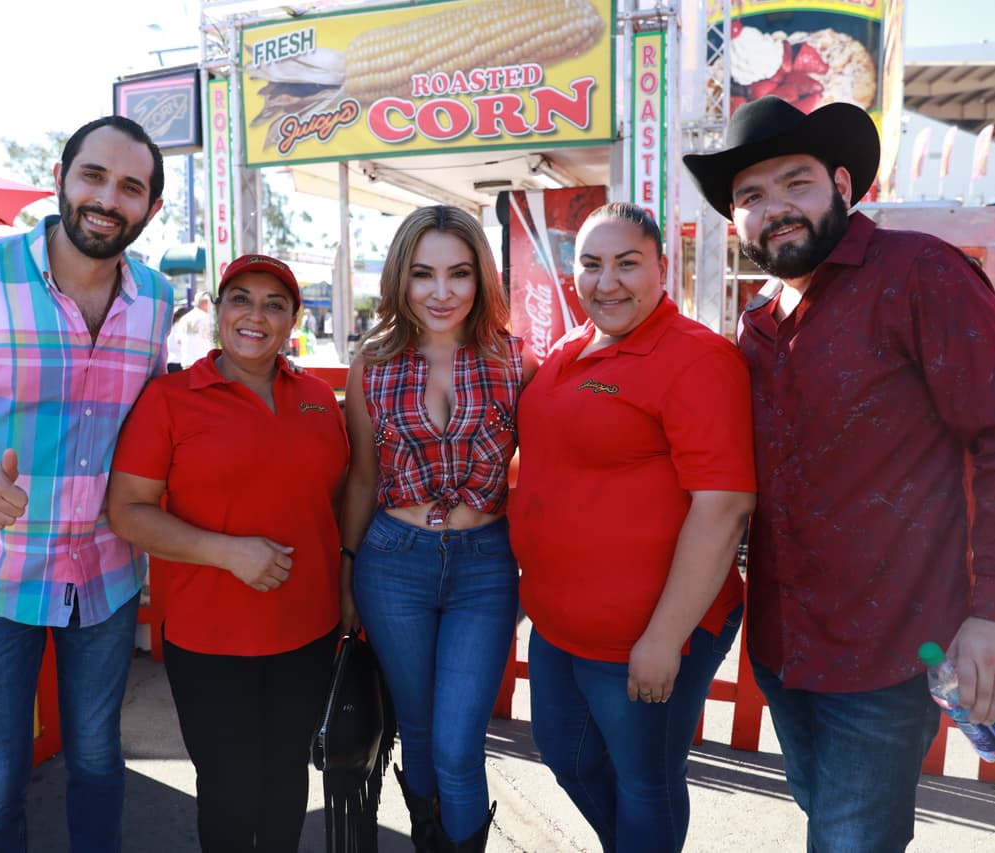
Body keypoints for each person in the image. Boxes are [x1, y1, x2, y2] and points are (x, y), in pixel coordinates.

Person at [682, 96, 995, 851]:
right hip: (784, 646)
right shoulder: (758, 322)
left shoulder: (920, 273)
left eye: (795, 182)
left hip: (892, 650)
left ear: (842, 185)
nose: (774, 208)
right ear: (735, 220)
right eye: (751, 196)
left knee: (850, 839)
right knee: (826, 814)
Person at [0, 115, 172, 851]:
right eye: (93, 176)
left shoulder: (156, 299)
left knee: (99, 759)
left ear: (150, 208)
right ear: (60, 179)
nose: (107, 198)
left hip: (105, 572)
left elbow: (152, 430)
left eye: (130, 187)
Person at [509, 202, 756, 853]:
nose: (607, 281)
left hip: (649, 632)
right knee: (567, 756)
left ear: (661, 268)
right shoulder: (567, 347)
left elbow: (724, 505)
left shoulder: (697, 358)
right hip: (559, 622)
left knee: (645, 781)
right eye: (591, 264)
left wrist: (664, 637)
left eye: (627, 263)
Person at [107, 254, 346, 852]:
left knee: (288, 781)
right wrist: (227, 552)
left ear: (293, 320)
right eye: (241, 299)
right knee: (229, 793)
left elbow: (339, 501)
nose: (255, 316)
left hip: (309, 631)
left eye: (274, 304)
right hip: (210, 638)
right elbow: (127, 510)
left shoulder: (319, 397)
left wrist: (348, 588)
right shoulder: (170, 399)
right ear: (217, 311)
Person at [340, 205, 534, 852]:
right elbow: (363, 478)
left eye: (460, 272)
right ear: (401, 277)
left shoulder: (515, 361)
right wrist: (346, 573)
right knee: (419, 732)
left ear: (482, 277)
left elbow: (558, 464)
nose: (442, 291)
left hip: (484, 563)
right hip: (392, 561)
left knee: (457, 744)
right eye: (424, 273)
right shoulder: (372, 362)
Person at [175, 289, 216, 366]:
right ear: (205, 303)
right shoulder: (207, 318)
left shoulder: (184, 318)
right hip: (203, 363)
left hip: (187, 362)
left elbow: (178, 341)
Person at [167, 302, 192, 371]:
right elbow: (180, 341)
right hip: (179, 361)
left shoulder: (172, 326)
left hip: (170, 361)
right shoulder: (181, 326)